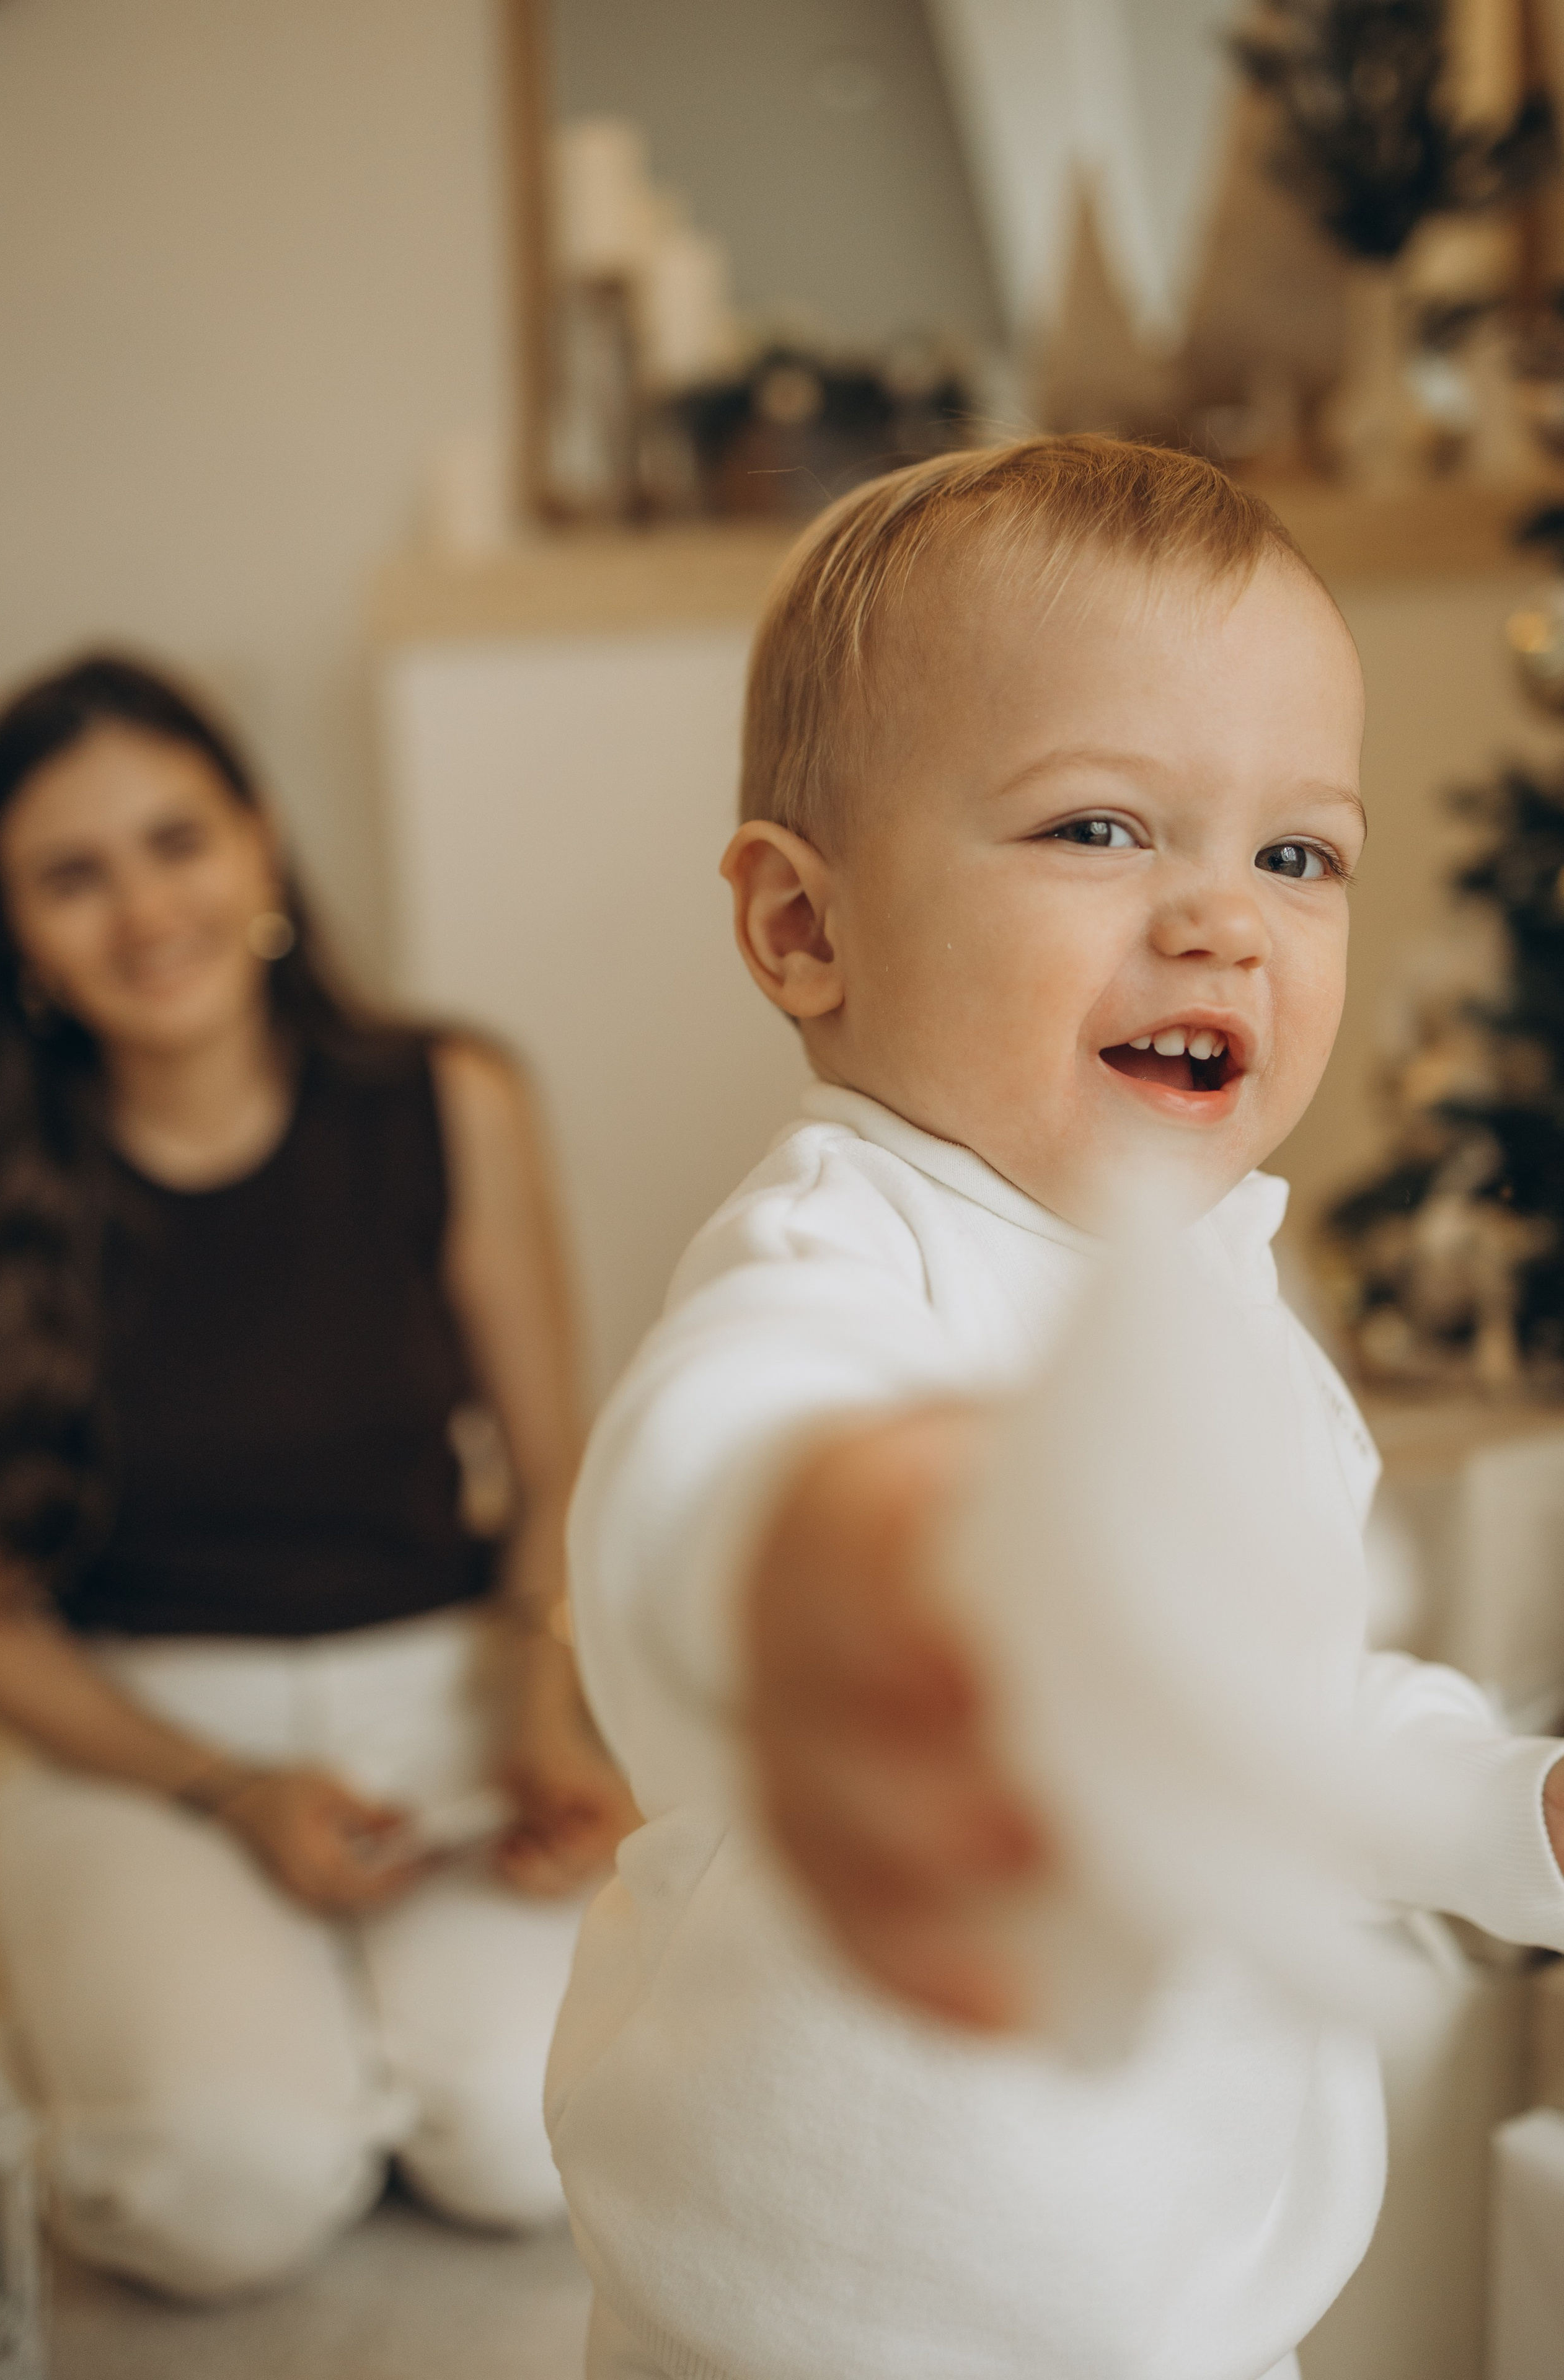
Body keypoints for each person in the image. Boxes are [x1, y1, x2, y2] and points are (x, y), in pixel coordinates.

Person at [547, 438, 1564, 2380]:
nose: (1226, 921)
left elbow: (1283, 1710)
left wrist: (1520, 1810)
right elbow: (704, 1475)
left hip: (1188, 2311)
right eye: (1103, 829)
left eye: (1298, 855)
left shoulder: (1220, 1305)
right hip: (824, 2317)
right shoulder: (853, 1249)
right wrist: (853, 1542)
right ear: (803, 931)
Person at [0, 653, 635, 2302]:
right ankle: (269, 2054)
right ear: (15, 936)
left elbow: (555, 1470)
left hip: (447, 1699)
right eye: (72, 876)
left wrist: (544, 1714)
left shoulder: (451, 1097)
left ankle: (367, 2045)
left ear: (263, 841)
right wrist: (233, 1791)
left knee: (526, 2141)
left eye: (175, 840)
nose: (143, 913)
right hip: (140, 1742)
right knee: (227, 2195)